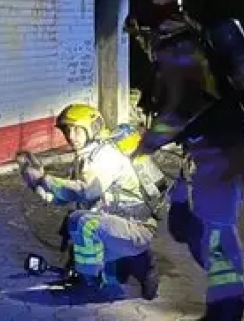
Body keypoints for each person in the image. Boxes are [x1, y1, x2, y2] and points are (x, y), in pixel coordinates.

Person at [125, 0, 244, 321]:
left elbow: (183, 109)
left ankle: (227, 305)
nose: (138, 39)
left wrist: (145, 145)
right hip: (203, 153)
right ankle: (229, 293)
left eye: (138, 30)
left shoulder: (181, 50)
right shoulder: (182, 46)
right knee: (182, 223)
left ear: (151, 24)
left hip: (221, 151)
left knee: (216, 228)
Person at [18, 103, 162, 302]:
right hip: (116, 227)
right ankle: (139, 263)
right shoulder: (85, 157)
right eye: (68, 130)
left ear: (92, 129)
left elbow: (88, 191)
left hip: (134, 228)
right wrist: (35, 183)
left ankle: (88, 285)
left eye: (77, 129)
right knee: (109, 274)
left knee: (81, 223)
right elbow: (61, 197)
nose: (71, 136)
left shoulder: (104, 155)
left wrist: (46, 179)